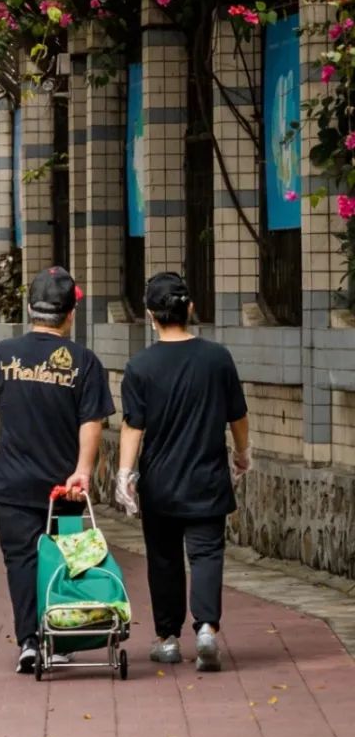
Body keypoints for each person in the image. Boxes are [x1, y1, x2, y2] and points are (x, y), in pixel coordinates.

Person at [0, 266, 114, 674]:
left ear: (30, 308)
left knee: (21, 561)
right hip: (64, 487)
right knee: (63, 561)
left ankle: (29, 642)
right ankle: (60, 640)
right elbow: (92, 420)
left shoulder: (4, 354)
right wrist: (83, 471)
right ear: (72, 311)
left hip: (11, 484)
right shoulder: (85, 362)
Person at [116, 271, 251, 673]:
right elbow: (237, 415)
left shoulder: (139, 366)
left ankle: (168, 639)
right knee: (207, 553)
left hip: (160, 483)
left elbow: (133, 426)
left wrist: (125, 475)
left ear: (149, 315)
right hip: (207, 478)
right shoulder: (217, 358)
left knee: (164, 558)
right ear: (190, 308)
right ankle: (207, 628)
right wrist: (243, 453)